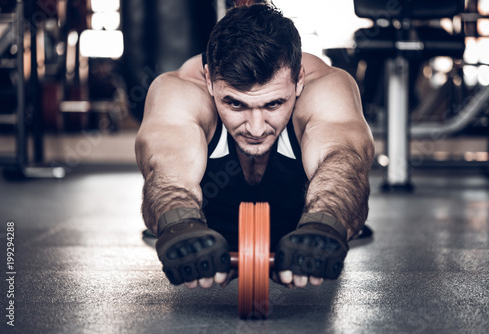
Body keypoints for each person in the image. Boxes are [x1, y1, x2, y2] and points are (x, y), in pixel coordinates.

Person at [135, 3, 374, 289]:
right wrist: (179, 224)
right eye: (235, 103)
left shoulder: (326, 87)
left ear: (298, 80)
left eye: (273, 104)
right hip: (201, 236)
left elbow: (344, 161)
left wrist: (325, 225)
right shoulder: (179, 91)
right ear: (209, 80)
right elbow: (167, 166)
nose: (256, 128)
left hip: (306, 233)